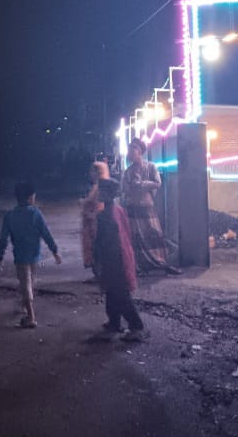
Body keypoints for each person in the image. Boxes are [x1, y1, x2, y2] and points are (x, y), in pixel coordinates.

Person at [0, 181, 62, 328]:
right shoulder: (35, 213)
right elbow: (46, 234)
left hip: (20, 256)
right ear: (30, 197)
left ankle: (30, 316)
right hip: (34, 255)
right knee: (30, 282)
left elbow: (3, 239)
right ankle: (27, 307)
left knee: (25, 284)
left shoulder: (10, 216)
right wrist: (55, 251)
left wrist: (0, 257)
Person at [93, 178, 147, 342]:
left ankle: (136, 326)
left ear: (107, 194)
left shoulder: (104, 216)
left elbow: (102, 241)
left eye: (101, 190)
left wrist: (97, 261)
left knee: (120, 294)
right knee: (113, 291)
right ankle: (114, 322)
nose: (98, 193)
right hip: (123, 255)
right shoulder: (119, 210)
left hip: (114, 259)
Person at [121, 138, 181, 275]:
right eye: (129, 151)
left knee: (154, 235)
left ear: (140, 152)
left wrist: (141, 184)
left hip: (147, 208)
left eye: (133, 150)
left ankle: (161, 263)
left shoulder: (150, 167)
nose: (130, 153)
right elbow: (125, 189)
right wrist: (135, 187)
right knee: (136, 238)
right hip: (133, 210)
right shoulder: (128, 172)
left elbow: (157, 183)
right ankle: (139, 266)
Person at [80, 161, 110, 281]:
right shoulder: (97, 186)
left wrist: (90, 214)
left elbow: (99, 207)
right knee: (94, 248)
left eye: (93, 171)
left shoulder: (100, 188)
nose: (90, 173)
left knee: (97, 248)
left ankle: (100, 275)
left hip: (95, 224)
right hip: (91, 222)